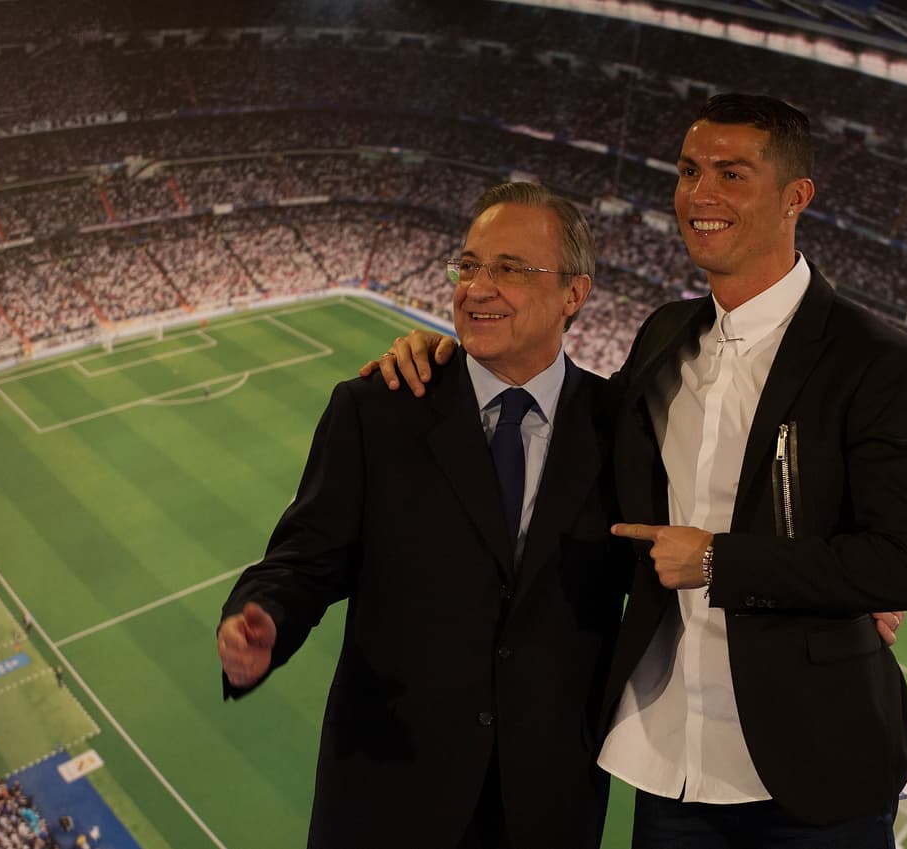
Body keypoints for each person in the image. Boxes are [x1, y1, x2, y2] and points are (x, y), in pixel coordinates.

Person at [367, 94, 907, 847]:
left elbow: (903, 563)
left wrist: (717, 560)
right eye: (689, 170)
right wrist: (460, 355)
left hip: (813, 772)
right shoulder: (667, 333)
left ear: (797, 197)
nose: (700, 194)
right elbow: (583, 449)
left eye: (732, 174)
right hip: (671, 763)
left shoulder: (875, 360)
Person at [218, 182, 630, 848]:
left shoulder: (624, 429)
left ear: (574, 295)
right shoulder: (378, 407)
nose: (478, 286)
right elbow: (305, 557)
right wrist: (264, 614)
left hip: (545, 808)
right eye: (469, 265)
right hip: (387, 797)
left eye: (510, 268)